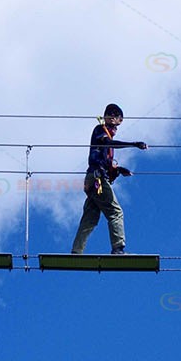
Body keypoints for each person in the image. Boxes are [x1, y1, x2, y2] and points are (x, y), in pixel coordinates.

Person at [72, 103, 149, 255]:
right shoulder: (100, 131)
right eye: (118, 123)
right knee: (116, 212)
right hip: (97, 179)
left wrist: (119, 170)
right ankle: (118, 248)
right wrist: (133, 144)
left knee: (90, 219)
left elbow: (104, 162)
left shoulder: (105, 138)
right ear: (112, 117)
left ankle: (76, 251)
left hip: (92, 180)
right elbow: (107, 143)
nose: (116, 129)